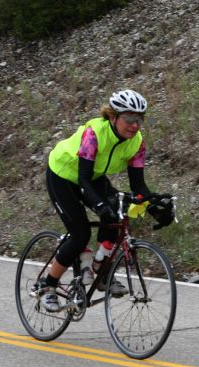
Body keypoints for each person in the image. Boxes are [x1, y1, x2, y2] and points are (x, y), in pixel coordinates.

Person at [39, 89, 174, 312]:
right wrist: (99, 205)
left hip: (93, 177)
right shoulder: (94, 133)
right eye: (129, 119)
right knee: (80, 233)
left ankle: (97, 271)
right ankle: (48, 285)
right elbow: (82, 177)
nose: (135, 125)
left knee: (115, 213)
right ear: (113, 117)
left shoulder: (137, 143)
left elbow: (138, 186)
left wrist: (153, 207)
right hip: (63, 174)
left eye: (139, 119)